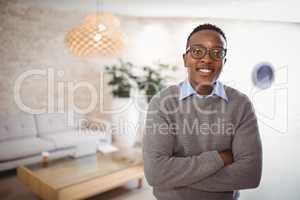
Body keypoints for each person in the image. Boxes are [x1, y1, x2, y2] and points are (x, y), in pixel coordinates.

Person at [143, 23, 262, 200]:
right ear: (185, 59)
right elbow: (155, 173)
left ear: (224, 61)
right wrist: (220, 159)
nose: (206, 59)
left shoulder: (241, 104)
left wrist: (174, 175)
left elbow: (250, 175)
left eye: (216, 52)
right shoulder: (162, 103)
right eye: (197, 51)